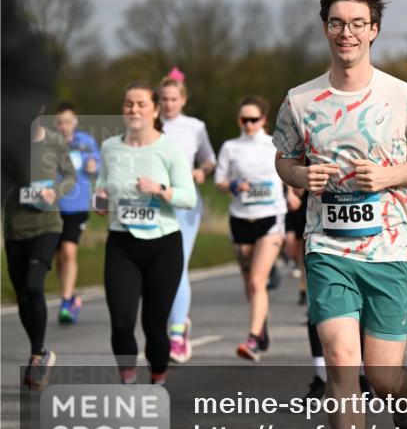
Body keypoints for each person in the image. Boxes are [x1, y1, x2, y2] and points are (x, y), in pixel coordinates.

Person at [273, 0, 407, 429]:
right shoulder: (300, 101)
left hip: (393, 250)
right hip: (328, 249)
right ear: (325, 28)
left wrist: (390, 175)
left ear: (373, 31)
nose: (346, 33)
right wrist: (301, 173)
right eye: (336, 23)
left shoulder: (404, 97)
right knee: (342, 364)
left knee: (383, 377)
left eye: (357, 24)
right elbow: (283, 159)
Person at [95, 81, 196, 385]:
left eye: (141, 104)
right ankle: (128, 383)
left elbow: (188, 197)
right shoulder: (110, 146)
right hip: (122, 244)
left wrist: (160, 190)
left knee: (154, 325)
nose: (134, 109)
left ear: (154, 110)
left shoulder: (169, 149)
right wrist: (99, 200)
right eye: (129, 104)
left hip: (163, 246)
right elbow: (102, 183)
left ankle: (158, 380)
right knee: (122, 323)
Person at [5, 115, 75, 389]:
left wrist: (55, 192)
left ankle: (37, 355)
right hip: (15, 230)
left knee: (34, 286)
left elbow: (70, 175)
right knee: (23, 294)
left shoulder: (55, 142)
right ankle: (41, 350)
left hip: (47, 227)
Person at [216, 96, 287, 361]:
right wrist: (232, 186)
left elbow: (287, 169)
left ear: (264, 120)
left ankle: (253, 339)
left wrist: (291, 192)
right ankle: (262, 327)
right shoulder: (230, 147)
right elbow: (219, 181)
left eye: (254, 120)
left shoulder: (274, 144)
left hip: (270, 216)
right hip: (240, 217)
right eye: (244, 120)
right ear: (238, 120)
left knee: (258, 281)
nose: (249, 124)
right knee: (250, 282)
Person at [159, 70, 216, 363]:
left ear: (182, 100)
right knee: (157, 271)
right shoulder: (149, 125)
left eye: (173, 99)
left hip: (185, 203)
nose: (168, 104)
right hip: (155, 204)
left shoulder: (194, 127)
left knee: (177, 266)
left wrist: (200, 171)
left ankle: (178, 333)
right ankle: (169, 324)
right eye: (164, 99)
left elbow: (209, 160)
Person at [53, 102, 100, 324]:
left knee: (69, 251)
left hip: (78, 205)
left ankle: (64, 301)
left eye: (68, 121)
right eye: (60, 122)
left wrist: (93, 165)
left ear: (75, 122)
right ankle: (70, 296)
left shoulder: (86, 142)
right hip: (53, 207)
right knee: (59, 257)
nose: (64, 126)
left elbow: (97, 164)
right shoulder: (48, 143)